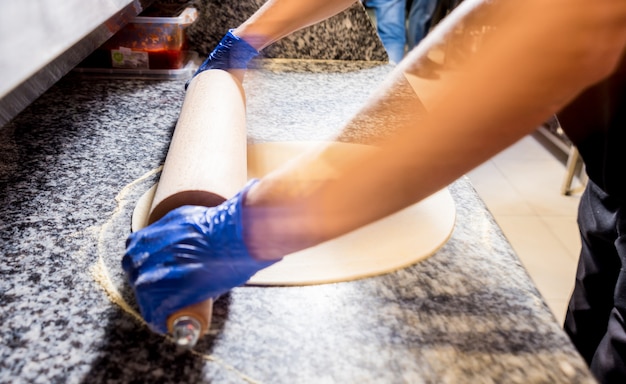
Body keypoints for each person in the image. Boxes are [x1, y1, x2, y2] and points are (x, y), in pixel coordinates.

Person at [122, 0, 626, 381]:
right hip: (609, 170)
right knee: (578, 346)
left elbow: (574, 29)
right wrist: (249, 38)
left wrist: (252, 225)